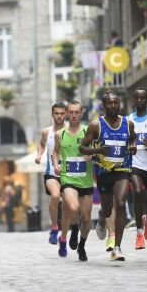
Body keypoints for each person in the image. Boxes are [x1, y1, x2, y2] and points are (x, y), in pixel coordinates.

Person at [80, 91, 137, 261]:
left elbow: (133, 139)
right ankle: (102, 218)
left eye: (116, 103)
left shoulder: (128, 124)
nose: (114, 106)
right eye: (110, 103)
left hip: (122, 170)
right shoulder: (95, 125)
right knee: (107, 209)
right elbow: (82, 148)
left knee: (120, 203)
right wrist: (98, 150)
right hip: (103, 172)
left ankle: (117, 248)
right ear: (103, 106)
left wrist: (133, 146)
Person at [52, 100, 93, 261]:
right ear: (67, 114)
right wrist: (56, 164)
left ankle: (81, 246)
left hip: (86, 180)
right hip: (68, 178)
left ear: (81, 113)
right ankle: (74, 228)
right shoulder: (59, 134)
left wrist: (91, 155)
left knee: (87, 218)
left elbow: (94, 151)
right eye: (71, 112)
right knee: (73, 208)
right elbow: (55, 152)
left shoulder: (87, 132)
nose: (74, 115)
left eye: (77, 112)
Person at [126, 88, 147, 250]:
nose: (139, 100)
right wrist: (129, 147)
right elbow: (125, 141)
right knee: (138, 191)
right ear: (133, 100)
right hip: (135, 164)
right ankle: (139, 234)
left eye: (143, 98)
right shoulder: (127, 120)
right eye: (137, 98)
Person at [35, 102, 67, 244]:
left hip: (68, 173)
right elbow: (42, 143)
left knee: (68, 204)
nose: (59, 116)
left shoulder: (70, 131)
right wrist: (39, 155)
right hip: (51, 172)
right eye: (56, 113)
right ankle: (54, 228)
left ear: (65, 114)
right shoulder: (46, 132)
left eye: (61, 113)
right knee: (55, 195)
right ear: (52, 114)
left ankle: (67, 232)